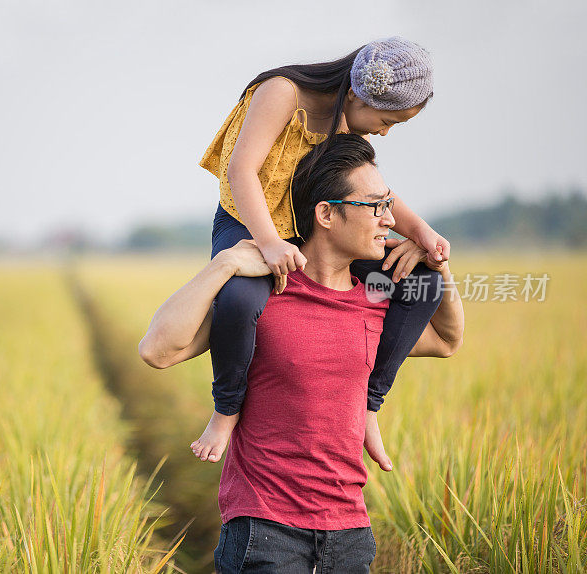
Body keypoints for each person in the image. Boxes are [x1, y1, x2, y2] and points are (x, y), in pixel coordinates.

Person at [139, 134, 464, 572]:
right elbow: (158, 350)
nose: (391, 221)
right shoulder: (263, 295)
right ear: (327, 213)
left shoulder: (376, 301)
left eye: (389, 205)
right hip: (264, 531)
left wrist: (438, 264)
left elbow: (446, 340)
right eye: (376, 207)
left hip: (350, 534)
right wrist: (226, 265)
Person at [192, 37, 449, 468]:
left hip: (313, 227)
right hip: (250, 221)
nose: (383, 132)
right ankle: (225, 410)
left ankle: (369, 403)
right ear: (354, 93)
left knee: (421, 281)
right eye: (385, 120)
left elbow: (369, 191)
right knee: (240, 300)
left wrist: (421, 231)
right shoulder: (283, 92)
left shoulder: (349, 120)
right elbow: (241, 170)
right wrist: (270, 242)